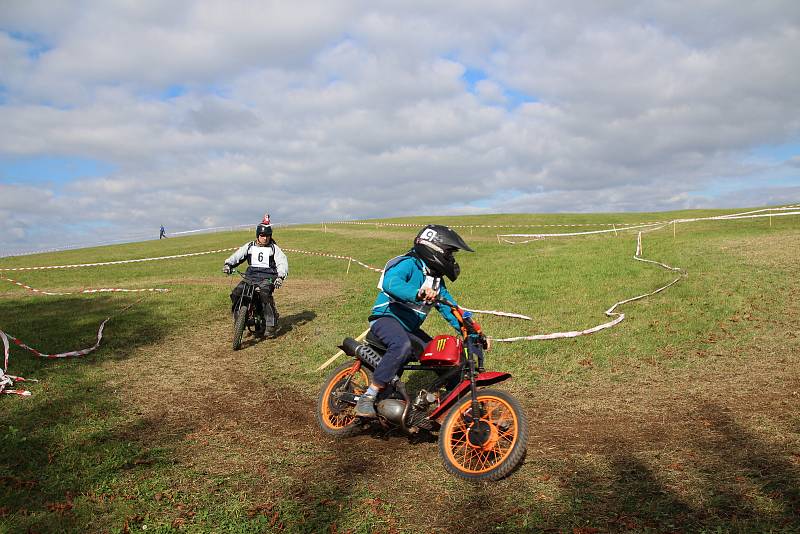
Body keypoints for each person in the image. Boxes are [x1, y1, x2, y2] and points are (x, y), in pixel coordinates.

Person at [354, 224, 487, 418]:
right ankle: (369, 396)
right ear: (435, 248)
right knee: (402, 346)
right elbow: (391, 282)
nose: (451, 259)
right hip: (386, 318)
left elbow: (451, 308)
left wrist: (473, 331)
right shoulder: (409, 263)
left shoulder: (436, 281)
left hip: (409, 328)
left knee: (445, 358)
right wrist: (417, 292)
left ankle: (463, 411)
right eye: (450, 253)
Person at [222, 214, 288, 337]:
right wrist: (228, 264)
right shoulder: (250, 246)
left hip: (267, 277)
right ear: (258, 235)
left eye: (267, 236)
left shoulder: (274, 249)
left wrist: (280, 277)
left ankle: (270, 324)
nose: (265, 238)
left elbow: (282, 262)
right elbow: (238, 255)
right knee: (236, 293)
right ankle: (239, 318)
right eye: (262, 235)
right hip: (250, 276)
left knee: (264, 295)